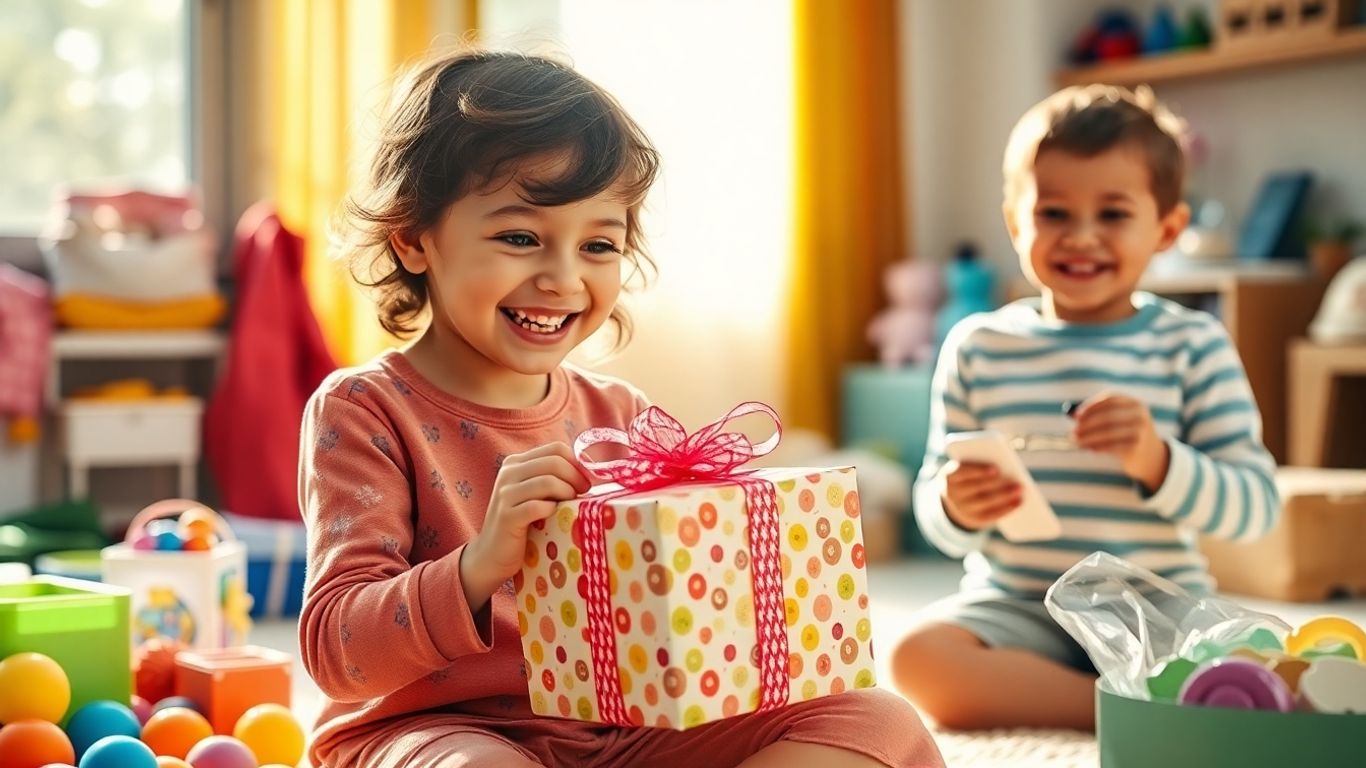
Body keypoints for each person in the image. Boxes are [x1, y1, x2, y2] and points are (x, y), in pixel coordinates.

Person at [298, 48, 944, 768]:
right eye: (519, 237)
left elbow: (675, 622)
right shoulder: (364, 409)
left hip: (619, 734)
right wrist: (480, 564)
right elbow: (336, 653)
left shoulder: (620, 416)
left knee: (876, 718)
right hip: (438, 733)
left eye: (599, 244)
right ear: (414, 240)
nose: (563, 278)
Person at [890, 85, 1280, 731]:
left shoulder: (1192, 345)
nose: (1082, 237)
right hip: (1016, 605)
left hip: (1157, 606)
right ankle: (1120, 710)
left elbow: (1254, 508)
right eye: (1054, 214)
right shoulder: (978, 346)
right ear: (1016, 221)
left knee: (1255, 663)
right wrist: (957, 504)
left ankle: (1148, 695)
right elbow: (934, 504)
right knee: (916, 658)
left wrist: (1157, 461)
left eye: (1113, 214)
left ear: (1168, 230)